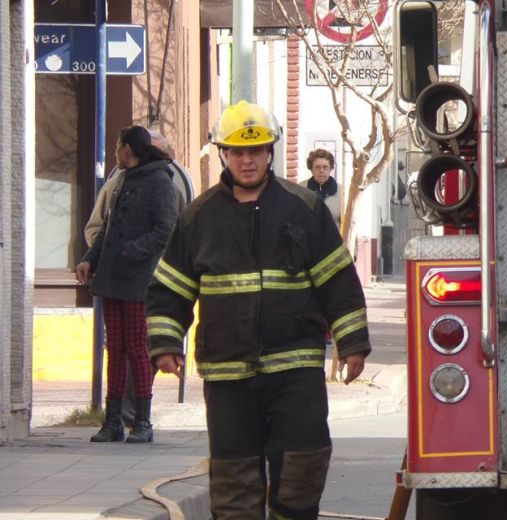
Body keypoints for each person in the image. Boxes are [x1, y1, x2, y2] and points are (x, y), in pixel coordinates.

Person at [145, 100, 371, 519]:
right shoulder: (198, 218)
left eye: (256, 150)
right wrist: (164, 342)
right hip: (228, 374)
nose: (247, 160)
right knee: (234, 482)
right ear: (223, 155)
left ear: (270, 152)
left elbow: (337, 280)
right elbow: (171, 286)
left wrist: (352, 342)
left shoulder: (303, 209)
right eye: (237, 152)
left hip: (296, 369)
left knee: (303, 465)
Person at [75, 126, 178, 444]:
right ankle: (112, 421)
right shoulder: (122, 179)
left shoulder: (159, 181)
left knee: (136, 348)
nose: (115, 152)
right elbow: (107, 226)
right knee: (115, 350)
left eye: (117, 146)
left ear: (128, 149)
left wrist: (132, 251)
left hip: (138, 279)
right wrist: (89, 258)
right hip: (111, 277)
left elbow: (165, 228)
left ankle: (143, 422)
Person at [301, 148, 342, 225]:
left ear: (330, 169)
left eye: (325, 167)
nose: (321, 170)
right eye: (317, 167)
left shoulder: (342, 192)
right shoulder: (300, 189)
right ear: (311, 169)